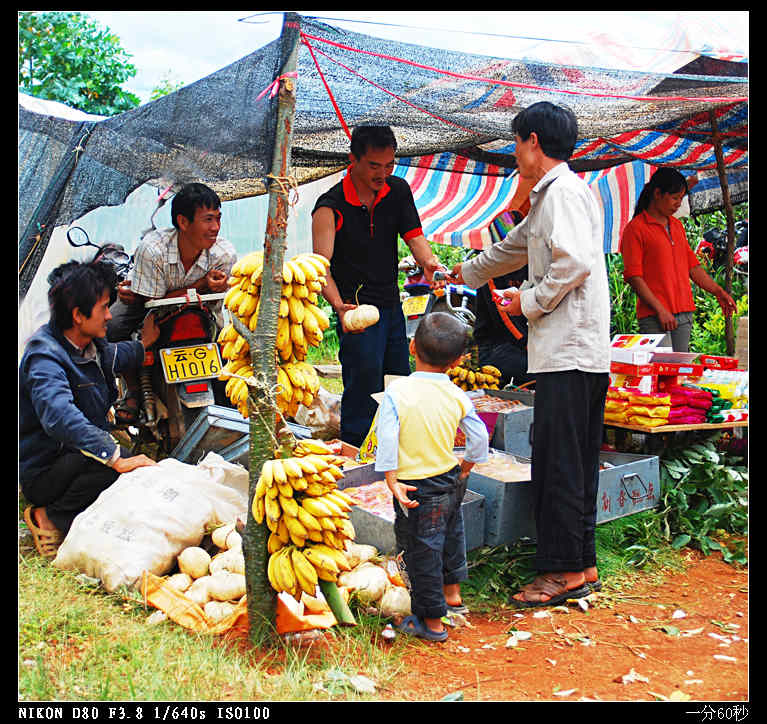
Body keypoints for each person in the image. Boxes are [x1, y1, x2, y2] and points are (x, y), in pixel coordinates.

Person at [451, 101, 611, 607]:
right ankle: (581, 564)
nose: (515, 152)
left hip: (568, 349)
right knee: (577, 460)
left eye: (517, 142)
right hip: (574, 351)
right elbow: (513, 248)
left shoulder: (562, 193)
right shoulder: (551, 197)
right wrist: (464, 274)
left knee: (559, 464)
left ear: (534, 141)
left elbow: (575, 264)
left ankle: (559, 572)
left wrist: (527, 302)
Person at [312, 125, 446, 448]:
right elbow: (321, 268)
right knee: (362, 383)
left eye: (389, 165)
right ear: (352, 160)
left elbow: (415, 238)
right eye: (374, 165)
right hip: (355, 312)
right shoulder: (329, 206)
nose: (383, 173)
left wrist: (429, 263)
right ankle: (357, 454)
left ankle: (397, 450)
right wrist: (339, 307)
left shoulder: (397, 191)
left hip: (390, 305)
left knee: (398, 380)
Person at [19, 259, 160, 557]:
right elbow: (59, 416)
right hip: (45, 469)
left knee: (134, 472)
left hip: (74, 455)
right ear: (79, 315)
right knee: (116, 472)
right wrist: (113, 455)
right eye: (104, 308)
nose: (110, 316)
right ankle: (48, 516)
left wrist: (143, 346)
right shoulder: (44, 357)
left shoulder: (91, 344)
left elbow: (114, 358)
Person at [374, 313, 489, 641]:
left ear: (412, 347)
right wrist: (466, 467)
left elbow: (388, 438)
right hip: (449, 478)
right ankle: (452, 596)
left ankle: (432, 623)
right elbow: (479, 437)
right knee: (451, 535)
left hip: (416, 487)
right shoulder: (457, 394)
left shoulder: (398, 392)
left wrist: (391, 479)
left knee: (420, 549)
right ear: (455, 362)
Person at [107, 182, 237, 421]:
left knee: (231, 346)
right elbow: (151, 301)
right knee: (112, 327)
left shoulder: (224, 253)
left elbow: (220, 300)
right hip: (149, 306)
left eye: (218, 219)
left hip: (201, 312)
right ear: (183, 222)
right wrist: (201, 286)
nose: (215, 227)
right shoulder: (153, 249)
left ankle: (231, 399)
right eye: (208, 220)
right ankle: (134, 389)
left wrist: (222, 286)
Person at [620, 167, 736, 352]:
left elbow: (693, 267)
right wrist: (660, 310)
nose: (678, 204)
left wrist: (718, 291)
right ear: (657, 194)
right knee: (661, 373)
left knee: (679, 373)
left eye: (681, 199)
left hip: (684, 313)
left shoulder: (676, 226)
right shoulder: (636, 229)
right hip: (654, 316)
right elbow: (634, 277)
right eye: (675, 198)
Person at [473, 176, 537, 389]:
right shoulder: (490, 274)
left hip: (528, 344)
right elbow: (510, 322)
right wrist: (531, 346)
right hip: (498, 347)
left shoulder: (534, 262)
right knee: (541, 372)